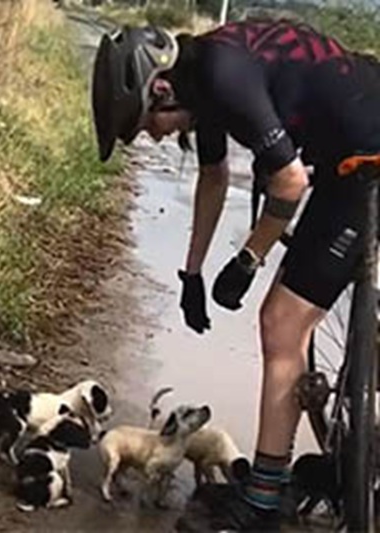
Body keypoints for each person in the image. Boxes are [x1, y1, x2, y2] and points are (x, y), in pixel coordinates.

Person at [90, 19, 380, 531]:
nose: (153, 137)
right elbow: (214, 175)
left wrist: (248, 260)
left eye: (144, 126)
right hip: (350, 145)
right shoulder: (204, 73)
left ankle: (264, 501)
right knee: (291, 312)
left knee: (282, 323)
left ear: (160, 90)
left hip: (366, 153)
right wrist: (192, 274)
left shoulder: (221, 77)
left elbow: (288, 183)